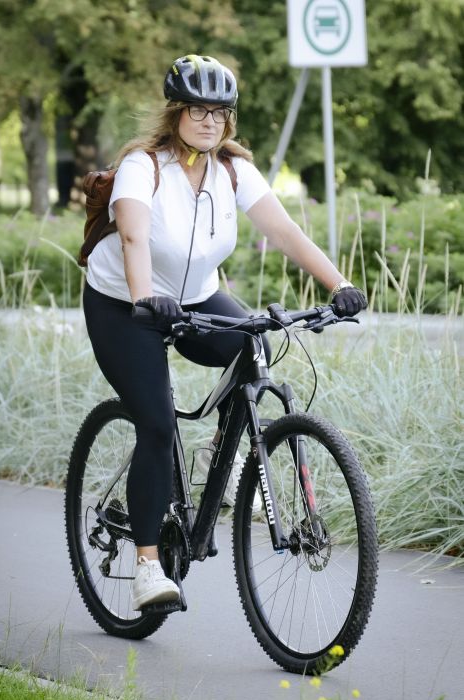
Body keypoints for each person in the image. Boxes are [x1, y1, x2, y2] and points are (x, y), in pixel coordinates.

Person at [83, 54, 366, 610]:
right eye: (198, 110)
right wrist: (144, 299)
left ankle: (224, 455)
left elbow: (284, 231)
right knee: (157, 424)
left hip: (194, 298)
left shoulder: (232, 170)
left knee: (253, 342)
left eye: (220, 113)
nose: (210, 122)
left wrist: (340, 284)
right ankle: (148, 568)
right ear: (176, 113)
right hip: (123, 303)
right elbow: (134, 237)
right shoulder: (144, 166)